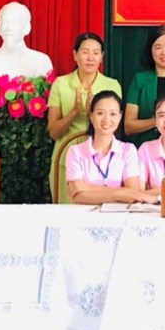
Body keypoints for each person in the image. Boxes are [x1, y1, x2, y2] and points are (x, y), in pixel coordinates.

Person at [47, 32, 122, 204]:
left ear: (102, 57)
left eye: (96, 53)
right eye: (85, 52)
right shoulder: (61, 84)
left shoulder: (112, 85)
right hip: (65, 158)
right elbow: (53, 132)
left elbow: (115, 126)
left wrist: (93, 115)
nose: (90, 58)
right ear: (75, 55)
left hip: (102, 163)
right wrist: (74, 111)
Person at [66, 90, 156, 205]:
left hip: (119, 213)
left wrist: (88, 188)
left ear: (120, 117)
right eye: (100, 113)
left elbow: (133, 193)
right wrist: (121, 193)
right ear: (91, 116)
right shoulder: (75, 152)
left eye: (113, 114)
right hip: (84, 214)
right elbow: (78, 196)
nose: (106, 119)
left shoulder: (128, 150)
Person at [0, 2, 54, 80]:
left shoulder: (41, 61)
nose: (9, 27)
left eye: (15, 22)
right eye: (5, 22)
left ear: (27, 28)